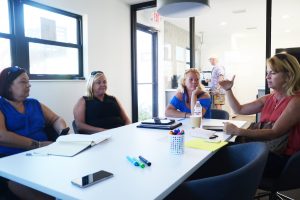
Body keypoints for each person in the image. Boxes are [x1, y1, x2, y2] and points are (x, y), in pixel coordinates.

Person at [220, 53, 300, 178]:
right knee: (223, 149)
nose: (267, 77)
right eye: (267, 73)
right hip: (267, 149)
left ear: (289, 75)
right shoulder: (269, 98)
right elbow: (239, 109)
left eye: (272, 73)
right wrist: (228, 90)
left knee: (225, 156)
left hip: (284, 160)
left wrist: (239, 131)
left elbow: (274, 132)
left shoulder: (296, 101)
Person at [0, 66, 68, 200]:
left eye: (28, 81)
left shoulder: (34, 103)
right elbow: (1, 135)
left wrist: (61, 131)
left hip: (44, 155)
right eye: (23, 82)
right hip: (13, 161)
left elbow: (56, 119)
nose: (29, 85)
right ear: (8, 86)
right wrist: (37, 144)